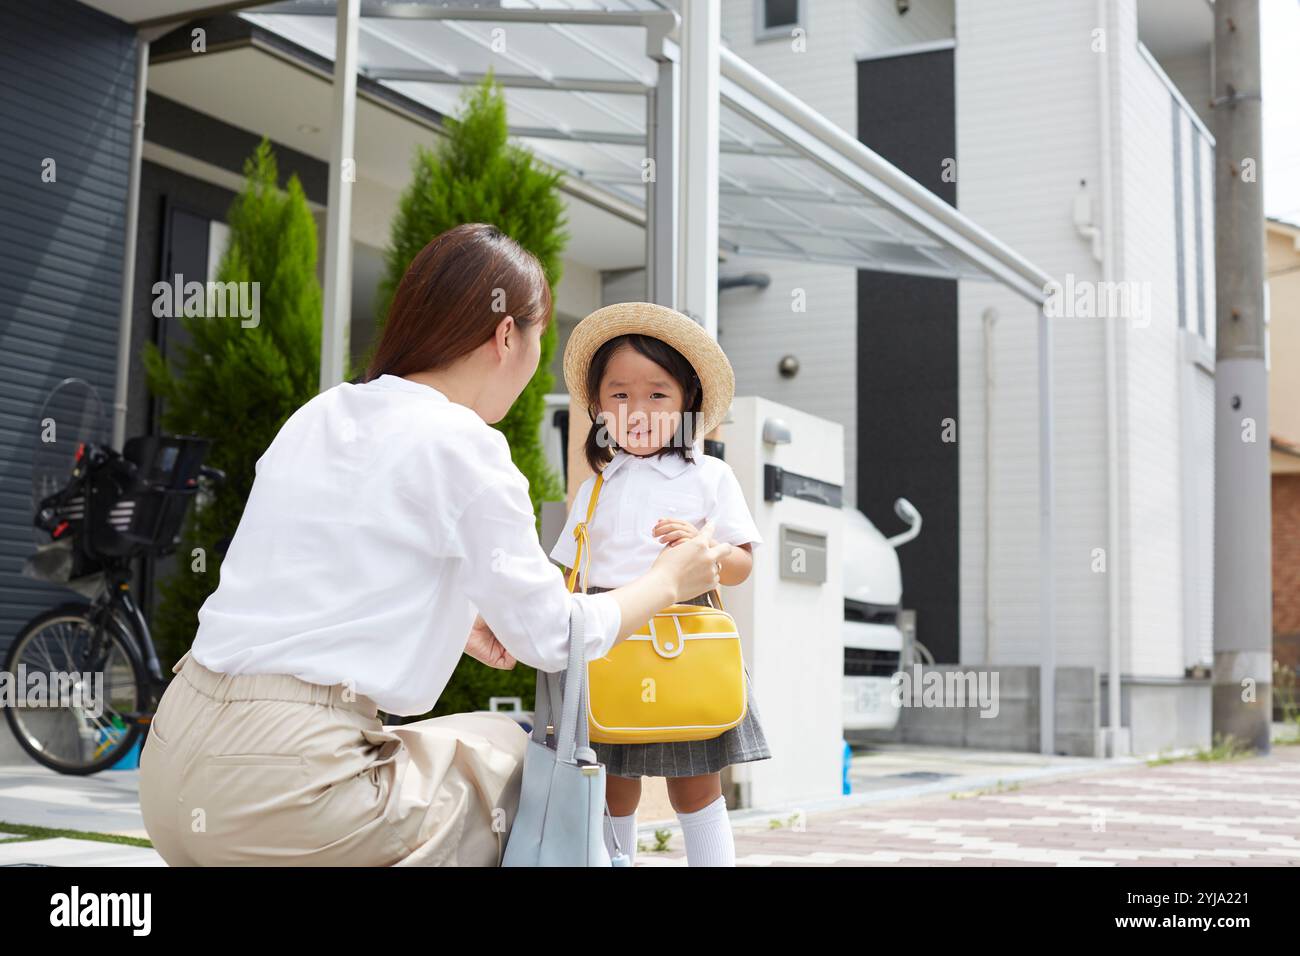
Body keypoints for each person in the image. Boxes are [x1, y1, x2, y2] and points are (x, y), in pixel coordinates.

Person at [137, 223, 730, 866]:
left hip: (171, 761)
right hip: (291, 790)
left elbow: (329, 571)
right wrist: (669, 581)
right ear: (508, 335)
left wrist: (460, 619)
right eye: (538, 339)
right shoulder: (467, 442)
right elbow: (555, 637)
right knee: (531, 758)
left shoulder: (324, 410)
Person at [549, 302, 772, 867]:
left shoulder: (709, 476)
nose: (637, 410)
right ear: (598, 407)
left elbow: (743, 562)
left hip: (685, 635)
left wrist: (706, 551)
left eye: (657, 394)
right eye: (619, 395)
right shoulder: (595, 488)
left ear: (687, 402)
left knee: (697, 789)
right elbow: (567, 570)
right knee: (612, 785)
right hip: (609, 637)